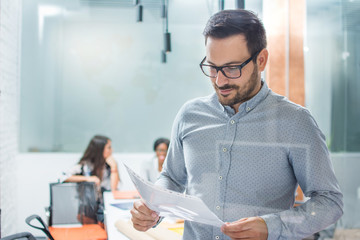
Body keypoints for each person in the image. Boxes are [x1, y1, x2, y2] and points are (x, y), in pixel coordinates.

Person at [130, 9, 343, 240]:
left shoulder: (295, 122)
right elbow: (172, 177)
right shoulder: (189, 115)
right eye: (212, 67)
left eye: (232, 68)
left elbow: (329, 202)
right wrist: (153, 207)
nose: (220, 81)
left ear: (261, 60)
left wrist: (272, 226)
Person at [61, 135, 120, 224]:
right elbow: (63, 177)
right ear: (99, 150)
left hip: (105, 207)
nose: (112, 150)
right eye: (109, 147)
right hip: (88, 209)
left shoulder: (109, 166)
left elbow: (113, 189)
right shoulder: (85, 166)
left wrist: (114, 168)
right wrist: (88, 179)